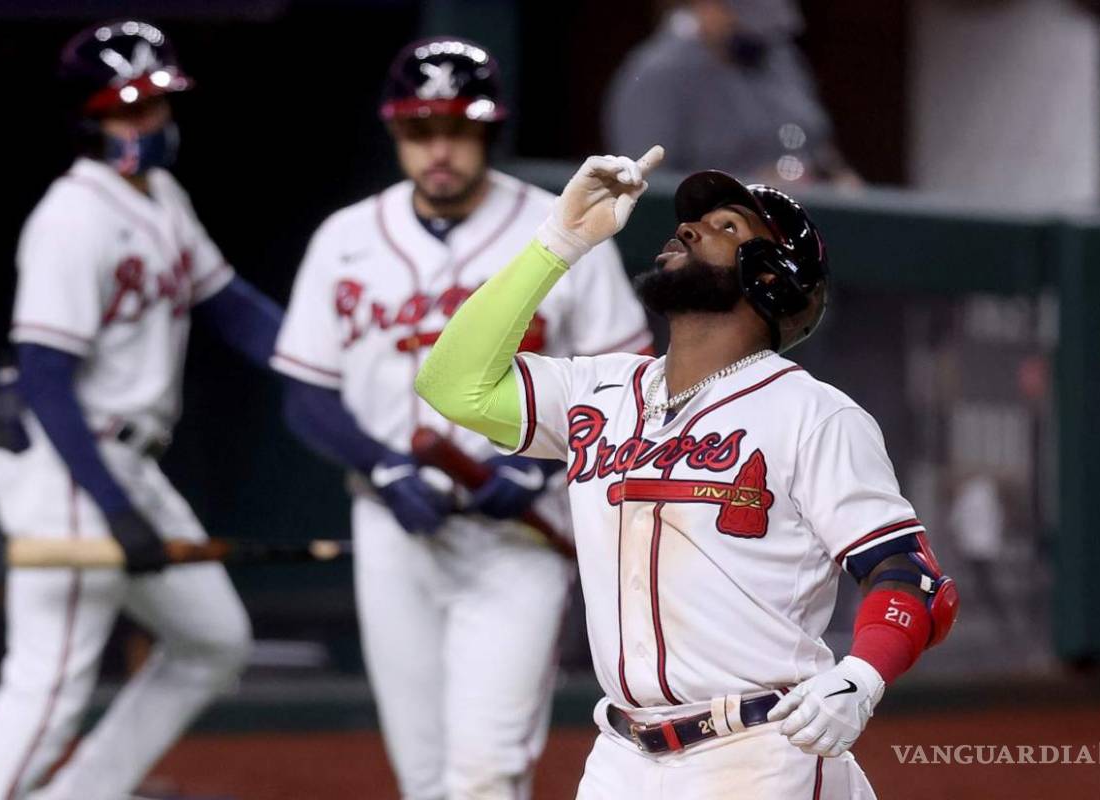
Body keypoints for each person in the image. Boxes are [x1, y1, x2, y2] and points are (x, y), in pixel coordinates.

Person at [415, 146, 959, 796]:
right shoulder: (599, 390)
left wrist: (862, 678)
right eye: (695, 221)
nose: (689, 227)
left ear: (771, 277)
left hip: (762, 750)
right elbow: (452, 385)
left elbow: (914, 578)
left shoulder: (813, 415)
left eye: (728, 227)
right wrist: (558, 241)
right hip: (621, 756)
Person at [272, 37, 652, 800]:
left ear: (489, 131)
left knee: (485, 772)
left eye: (458, 128)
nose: (439, 148)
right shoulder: (346, 239)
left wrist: (534, 463)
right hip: (394, 528)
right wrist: (382, 465)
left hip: (521, 532)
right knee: (423, 777)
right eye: (420, 129)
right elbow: (306, 393)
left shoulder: (564, 225)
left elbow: (628, 381)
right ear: (395, 132)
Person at [0, 20, 283, 800]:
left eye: (154, 107)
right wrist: (112, 511)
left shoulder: (161, 195)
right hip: (67, 462)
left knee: (213, 640)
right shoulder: (72, 217)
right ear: (88, 119)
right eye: (124, 110)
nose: (145, 125)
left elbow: (231, 306)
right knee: (48, 686)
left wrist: (319, 358)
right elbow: (44, 377)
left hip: (129, 461)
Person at [604, 0, 859, 186]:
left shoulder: (777, 56)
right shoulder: (657, 76)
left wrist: (838, 178)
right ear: (708, 7)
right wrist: (745, 189)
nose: (758, 33)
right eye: (747, 20)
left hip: (800, 223)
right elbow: (645, 186)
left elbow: (814, 136)